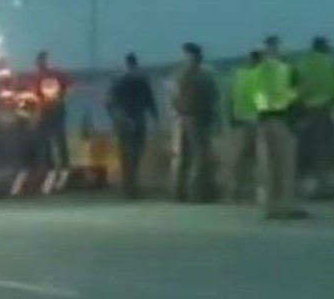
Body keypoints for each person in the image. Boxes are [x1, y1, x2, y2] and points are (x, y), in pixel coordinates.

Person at [255, 35, 304, 218]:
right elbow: (296, 94)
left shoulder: (256, 71)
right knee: (286, 166)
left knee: (268, 166)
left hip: (262, 120)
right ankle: (287, 206)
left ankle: (270, 207)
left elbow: (253, 96)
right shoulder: (287, 70)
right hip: (282, 120)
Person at [168, 43, 217, 202]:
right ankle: (196, 193)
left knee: (182, 157)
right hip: (196, 119)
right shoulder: (205, 76)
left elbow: (172, 98)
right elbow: (212, 97)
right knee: (198, 156)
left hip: (182, 118)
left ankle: (180, 193)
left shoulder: (179, 75)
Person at [106, 53, 158, 198]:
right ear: (136, 64)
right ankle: (132, 185)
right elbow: (150, 100)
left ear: (126, 64)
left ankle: (128, 187)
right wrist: (156, 118)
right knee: (136, 153)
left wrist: (116, 118)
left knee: (125, 154)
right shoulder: (142, 79)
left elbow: (109, 103)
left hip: (122, 121)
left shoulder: (118, 79)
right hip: (138, 118)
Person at [295, 36, 334, 198]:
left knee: (310, 148)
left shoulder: (303, 62)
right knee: (326, 148)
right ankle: (325, 183)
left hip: (307, 109)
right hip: (326, 109)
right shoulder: (331, 61)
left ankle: (310, 183)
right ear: (324, 47)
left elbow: (298, 86)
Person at [221, 49, 263, 203]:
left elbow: (229, 98)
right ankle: (253, 192)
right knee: (257, 158)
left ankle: (235, 192)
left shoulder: (238, 75)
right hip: (257, 121)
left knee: (239, 159)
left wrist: (229, 120)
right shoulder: (261, 75)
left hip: (240, 121)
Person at [30, 51, 72, 170]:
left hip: (53, 110)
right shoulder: (39, 76)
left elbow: (67, 85)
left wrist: (60, 96)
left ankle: (61, 164)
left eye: (41, 61)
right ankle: (53, 164)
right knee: (51, 139)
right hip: (49, 110)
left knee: (57, 138)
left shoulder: (51, 74)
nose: (40, 63)